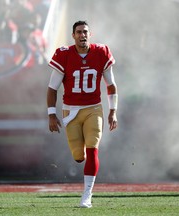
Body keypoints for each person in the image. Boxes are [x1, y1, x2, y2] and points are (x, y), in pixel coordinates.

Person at [47, 20, 118, 208]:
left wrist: (113, 111)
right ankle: (84, 159)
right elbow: (52, 88)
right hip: (71, 111)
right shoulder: (64, 54)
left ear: (90, 34)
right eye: (78, 32)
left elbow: (111, 85)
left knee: (93, 148)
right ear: (73, 35)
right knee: (79, 156)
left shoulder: (101, 52)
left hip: (94, 108)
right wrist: (51, 114)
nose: (82, 35)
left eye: (85, 31)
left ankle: (87, 195)